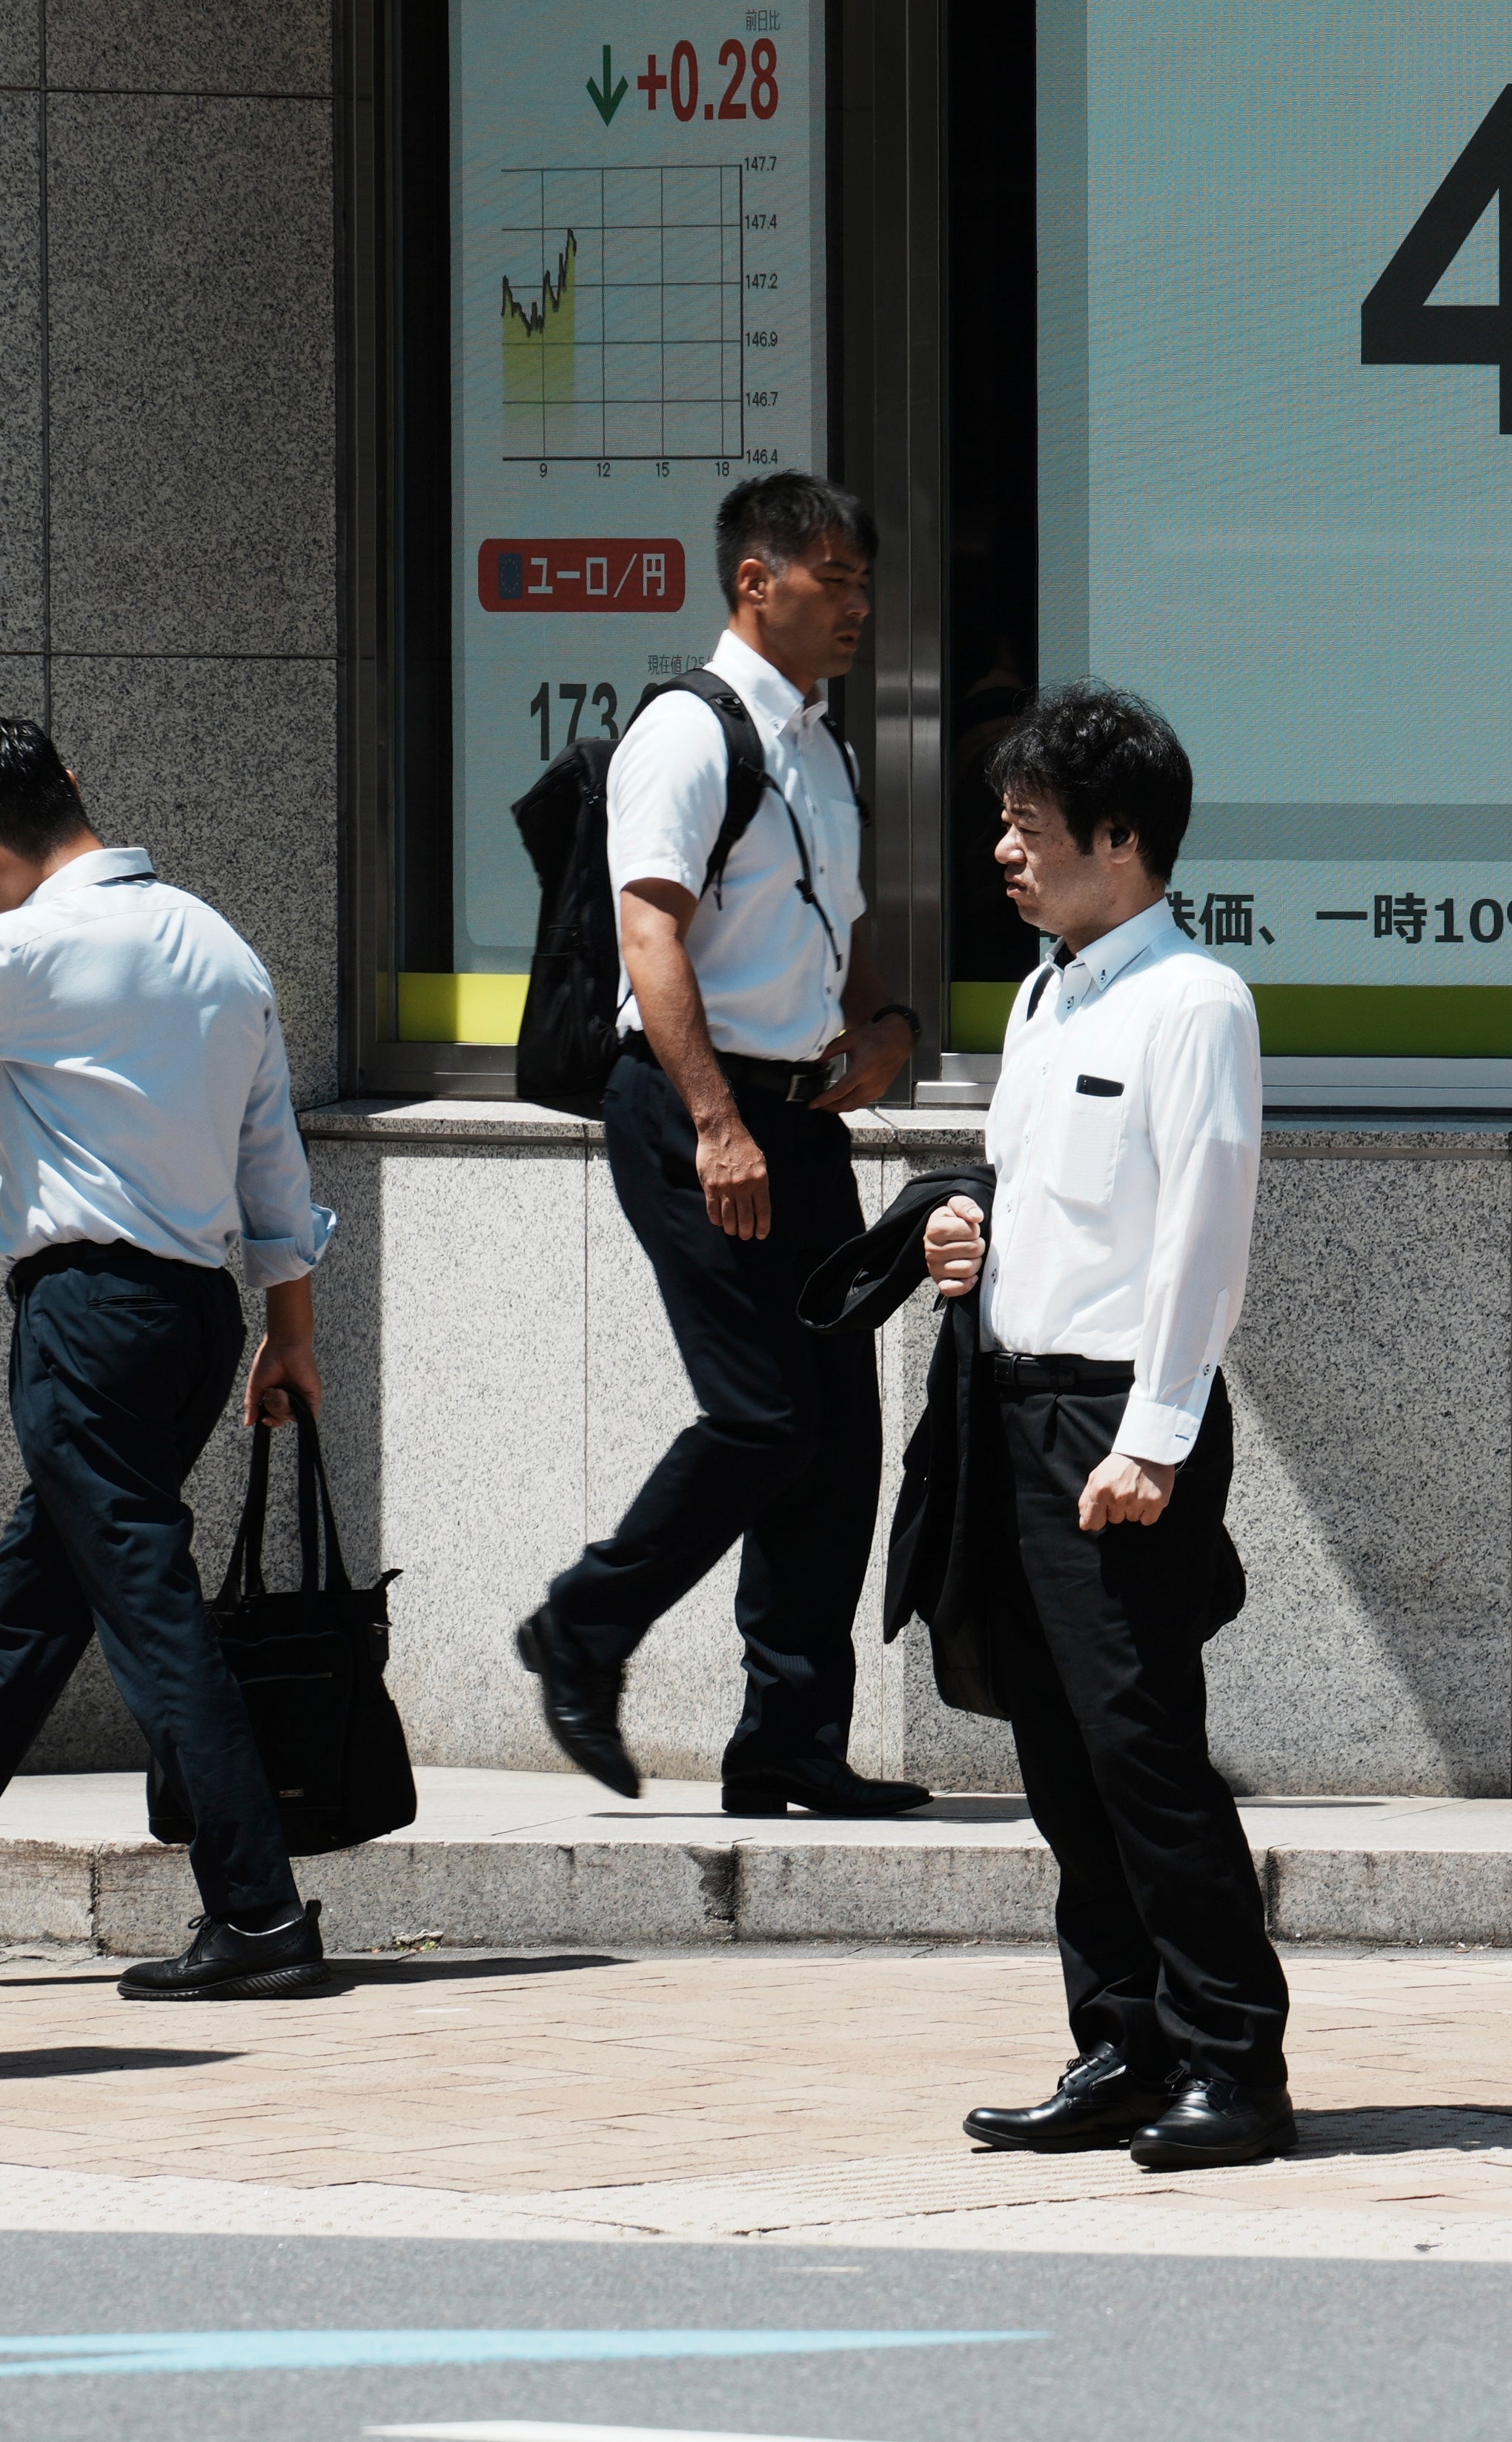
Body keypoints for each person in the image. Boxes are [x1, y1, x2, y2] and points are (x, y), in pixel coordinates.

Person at [0, 720, 339, 2000]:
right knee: (35, 1616)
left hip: (89, 1319)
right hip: (195, 1321)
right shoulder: (218, 940)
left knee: (151, 1613)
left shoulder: (29, 946)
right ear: (76, 789)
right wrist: (291, 1329)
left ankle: (257, 1911)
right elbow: (272, 1160)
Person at [514, 472, 930, 1820]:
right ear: (756, 582)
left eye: (866, 581)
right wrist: (712, 1122)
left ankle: (790, 1747)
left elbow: (840, 933)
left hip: (800, 1112)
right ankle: (584, 1621)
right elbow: (652, 937)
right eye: (834, 579)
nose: (859, 604)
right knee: (764, 1415)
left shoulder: (825, 748)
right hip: (694, 1111)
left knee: (840, 1434)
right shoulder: (688, 737)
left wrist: (880, 1032)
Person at [929, 685, 1287, 2171]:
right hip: (1009, 1403)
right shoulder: (1045, 990)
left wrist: (1154, 1435)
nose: (1004, 854)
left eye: (1027, 830)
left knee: (1143, 1750)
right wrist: (967, 1231)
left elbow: (1205, 1237)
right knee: (1059, 1754)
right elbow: (1049, 1199)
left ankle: (1232, 2063)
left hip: (1114, 1425)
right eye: (1002, 828)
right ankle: (1121, 2041)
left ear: (1121, 838)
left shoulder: (1192, 1001)